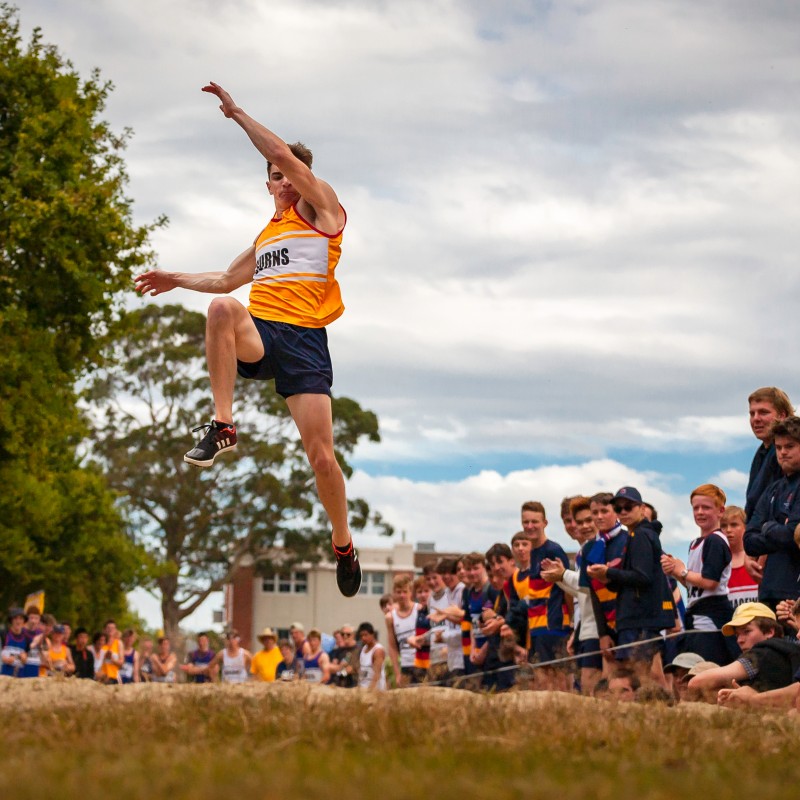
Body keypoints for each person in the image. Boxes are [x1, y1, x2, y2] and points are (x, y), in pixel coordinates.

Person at [134, 81, 360, 598]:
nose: (284, 181)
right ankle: (223, 424)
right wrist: (175, 278)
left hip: (305, 340)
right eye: (276, 177)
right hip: (263, 333)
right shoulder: (266, 238)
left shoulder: (324, 211)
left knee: (322, 459)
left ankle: (343, 542)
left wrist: (236, 113)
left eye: (290, 174)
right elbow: (223, 280)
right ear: (268, 186)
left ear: (302, 178)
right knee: (220, 308)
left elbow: (282, 154)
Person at [587, 487, 674, 686]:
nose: (623, 512)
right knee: (640, 676)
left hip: (640, 618)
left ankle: (657, 704)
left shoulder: (641, 535)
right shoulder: (636, 534)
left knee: (639, 676)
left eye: (628, 506)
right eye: (618, 508)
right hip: (637, 617)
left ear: (642, 509)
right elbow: (635, 579)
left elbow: (643, 577)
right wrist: (608, 578)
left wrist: (609, 573)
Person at [661, 484, 735, 665]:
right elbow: (694, 585)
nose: (700, 512)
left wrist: (682, 571)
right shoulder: (696, 542)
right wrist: (675, 571)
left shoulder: (715, 541)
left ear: (720, 511)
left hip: (711, 616)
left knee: (707, 666)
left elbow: (710, 582)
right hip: (697, 613)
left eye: (706, 507)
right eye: (696, 508)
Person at [541, 497, 603, 694]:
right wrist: (559, 578)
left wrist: (562, 575)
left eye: (588, 520)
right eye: (573, 521)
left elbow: (592, 586)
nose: (578, 526)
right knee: (586, 687)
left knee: (593, 686)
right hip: (586, 628)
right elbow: (582, 592)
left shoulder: (599, 546)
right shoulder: (583, 551)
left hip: (599, 629)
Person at [744, 415, 800, 611]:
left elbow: (792, 535)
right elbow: (749, 541)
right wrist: (777, 529)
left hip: (795, 593)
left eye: (790, 446)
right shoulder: (773, 489)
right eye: (778, 447)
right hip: (768, 591)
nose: (783, 452)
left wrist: (767, 527)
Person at [688, 602, 800, 694]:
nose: (739, 640)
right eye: (737, 635)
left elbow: (696, 683)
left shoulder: (761, 653)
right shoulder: (791, 649)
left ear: (769, 632)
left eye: (746, 631)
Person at [522, 501, 572, 690]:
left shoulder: (553, 550)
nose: (530, 526)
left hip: (553, 624)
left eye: (535, 521)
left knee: (556, 680)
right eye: (526, 522)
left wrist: (571, 620)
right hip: (536, 626)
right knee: (539, 680)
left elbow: (567, 586)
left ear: (545, 523)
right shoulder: (532, 552)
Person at [745, 387, 793, 522]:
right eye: (752, 413)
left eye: (763, 412)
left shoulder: (786, 454)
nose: (756, 419)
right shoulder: (761, 452)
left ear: (782, 416)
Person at [723, 505, 761, 609]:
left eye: (734, 525)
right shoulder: (716, 563)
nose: (728, 530)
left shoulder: (757, 558)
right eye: (723, 526)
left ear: (745, 527)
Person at [385, 574, 418, 687]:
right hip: (405, 664)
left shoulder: (419, 609)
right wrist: (397, 673)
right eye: (398, 592)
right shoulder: (390, 617)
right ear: (394, 593)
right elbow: (392, 646)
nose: (402, 595)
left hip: (421, 663)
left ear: (410, 592)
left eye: (405, 591)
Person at [357, 622, 386, 690]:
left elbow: (377, 674)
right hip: (363, 688)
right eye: (361, 636)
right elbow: (361, 671)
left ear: (372, 634)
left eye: (366, 635)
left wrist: (371, 690)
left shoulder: (378, 650)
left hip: (375, 690)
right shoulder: (363, 649)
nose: (363, 638)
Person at [1, 609, 29, 678]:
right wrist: (4, 659)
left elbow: (26, 658)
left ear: (24, 621)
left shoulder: (26, 638)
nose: (18, 621)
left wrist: (24, 659)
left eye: (21, 619)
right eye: (15, 618)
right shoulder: (3, 634)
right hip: (4, 676)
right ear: (11, 620)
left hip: (19, 677)